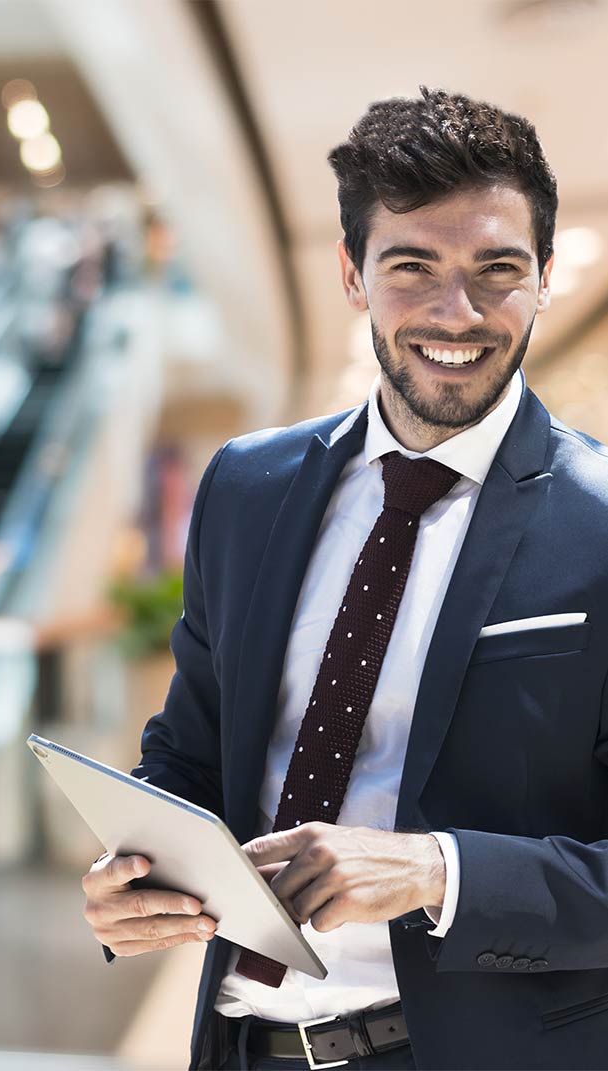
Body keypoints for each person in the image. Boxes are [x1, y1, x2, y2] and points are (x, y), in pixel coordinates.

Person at [81, 86, 608, 1070]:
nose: (456, 314)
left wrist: (432, 870)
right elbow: (191, 756)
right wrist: (135, 876)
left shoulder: (599, 522)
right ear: (351, 274)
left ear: (541, 278)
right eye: (411, 267)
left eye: (496, 271)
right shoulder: (246, 485)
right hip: (242, 1045)